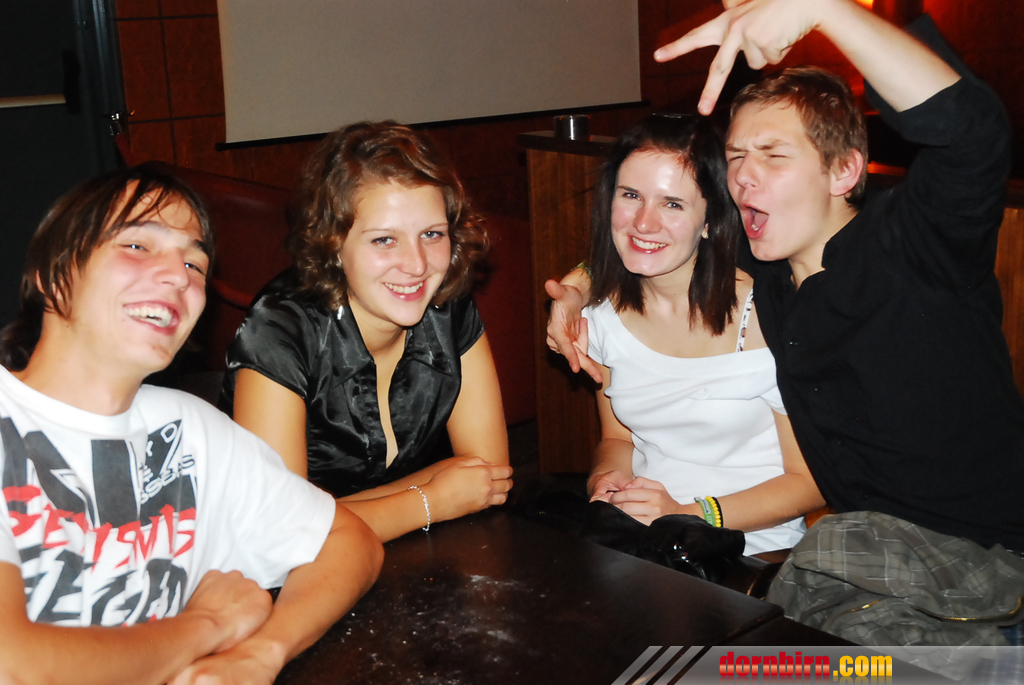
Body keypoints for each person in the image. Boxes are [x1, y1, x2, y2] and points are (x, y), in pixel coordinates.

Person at [549, 0, 1024, 646]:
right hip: (869, 570)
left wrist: (824, 8)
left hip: (985, 567)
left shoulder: (915, 244)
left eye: (772, 155)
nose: (744, 176)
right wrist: (576, 287)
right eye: (736, 157)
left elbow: (975, 133)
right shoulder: (766, 267)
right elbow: (656, 242)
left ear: (844, 169)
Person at [0, 164, 383, 684]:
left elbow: (349, 541)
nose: (179, 276)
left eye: (194, 263)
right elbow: (14, 665)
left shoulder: (191, 431)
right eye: (137, 245)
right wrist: (207, 625)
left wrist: (261, 653)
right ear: (54, 275)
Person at [223, 122, 512, 543]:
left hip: (407, 552)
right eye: (384, 240)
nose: (417, 264)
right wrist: (432, 499)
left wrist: (328, 514)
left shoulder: (446, 303)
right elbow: (280, 532)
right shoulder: (280, 329)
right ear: (333, 244)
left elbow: (489, 475)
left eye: (432, 234)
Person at [577, 112, 822, 555]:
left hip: (751, 550)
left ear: (710, 220)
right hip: (645, 539)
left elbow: (810, 482)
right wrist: (607, 478)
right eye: (631, 195)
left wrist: (689, 513)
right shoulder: (599, 317)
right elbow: (617, 439)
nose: (644, 223)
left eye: (672, 204)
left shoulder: (768, 317)